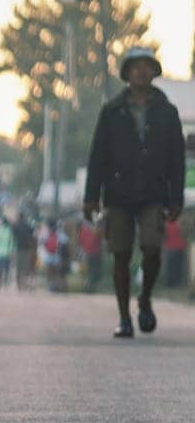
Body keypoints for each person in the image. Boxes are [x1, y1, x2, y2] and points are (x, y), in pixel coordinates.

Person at [83, 46, 186, 338]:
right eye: (135, 66)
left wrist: (175, 196)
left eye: (146, 66)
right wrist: (91, 196)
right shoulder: (111, 111)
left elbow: (176, 158)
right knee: (120, 254)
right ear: (126, 72)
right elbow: (97, 155)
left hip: (153, 192)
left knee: (153, 249)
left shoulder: (167, 111)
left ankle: (145, 298)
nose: (141, 71)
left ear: (154, 71)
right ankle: (124, 317)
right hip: (118, 193)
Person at [79, 217, 104, 292]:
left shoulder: (84, 229)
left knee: (91, 272)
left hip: (90, 253)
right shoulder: (96, 229)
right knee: (93, 272)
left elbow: (81, 241)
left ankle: (88, 287)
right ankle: (89, 287)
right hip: (94, 253)